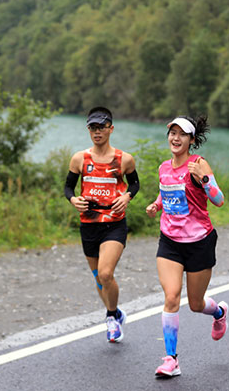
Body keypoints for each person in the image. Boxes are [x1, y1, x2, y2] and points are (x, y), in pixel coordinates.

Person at [145, 115, 227, 378]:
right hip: (169, 242)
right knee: (171, 296)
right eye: (172, 133)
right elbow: (166, 190)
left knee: (194, 303)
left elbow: (219, 200)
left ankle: (219, 311)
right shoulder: (163, 167)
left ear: (191, 139)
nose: (175, 138)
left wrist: (204, 180)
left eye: (182, 134)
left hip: (199, 242)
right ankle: (171, 359)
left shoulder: (199, 163)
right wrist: (157, 204)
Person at [64, 106, 140, 343]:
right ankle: (117, 313)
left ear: (111, 129)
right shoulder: (79, 158)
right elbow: (68, 188)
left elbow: (134, 185)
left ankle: (110, 316)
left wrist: (126, 197)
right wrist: (73, 199)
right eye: (93, 128)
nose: (97, 132)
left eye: (102, 127)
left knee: (107, 273)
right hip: (89, 224)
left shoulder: (124, 159)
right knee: (99, 278)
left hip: (114, 224)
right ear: (89, 130)